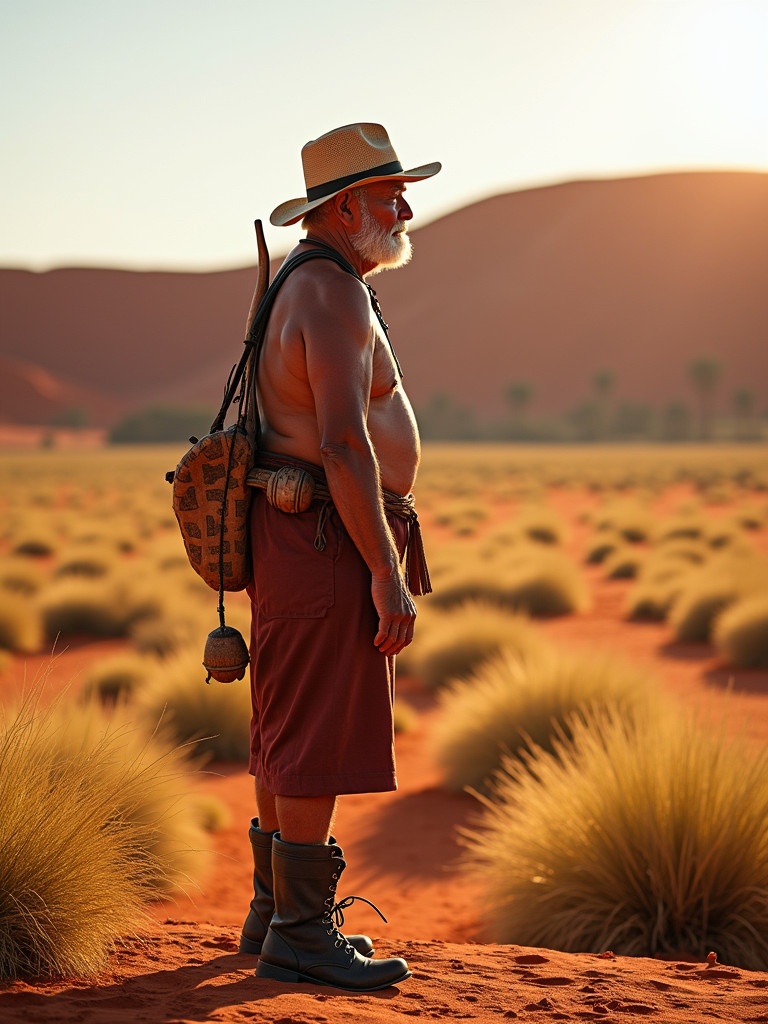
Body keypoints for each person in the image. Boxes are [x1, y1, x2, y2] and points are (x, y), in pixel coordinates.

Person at [238, 123, 440, 992]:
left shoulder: (308, 282)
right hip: (325, 537)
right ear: (343, 206)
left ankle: (270, 913)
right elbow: (344, 444)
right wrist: (386, 575)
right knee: (315, 728)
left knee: (288, 723)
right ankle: (300, 935)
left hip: (299, 533)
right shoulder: (331, 294)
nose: (403, 208)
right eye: (390, 194)